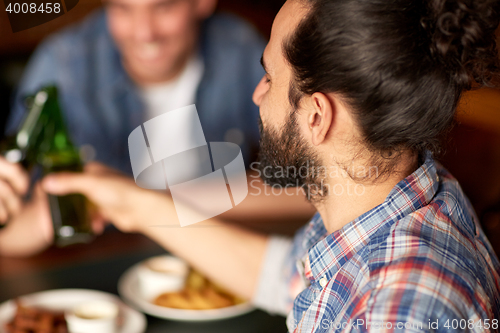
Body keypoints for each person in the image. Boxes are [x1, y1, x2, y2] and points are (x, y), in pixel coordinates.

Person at [23, 0, 500, 330]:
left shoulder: (396, 313)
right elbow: (282, 277)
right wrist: (139, 204)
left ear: (316, 116)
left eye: (270, 77)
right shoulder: (393, 201)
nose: (257, 93)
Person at [0, 0, 315, 256]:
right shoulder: (63, 64)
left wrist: (145, 203)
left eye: (163, 7)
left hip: (219, 248)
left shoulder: (242, 50)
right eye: (123, 8)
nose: (144, 33)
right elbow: (12, 221)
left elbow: (320, 184)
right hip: (100, 263)